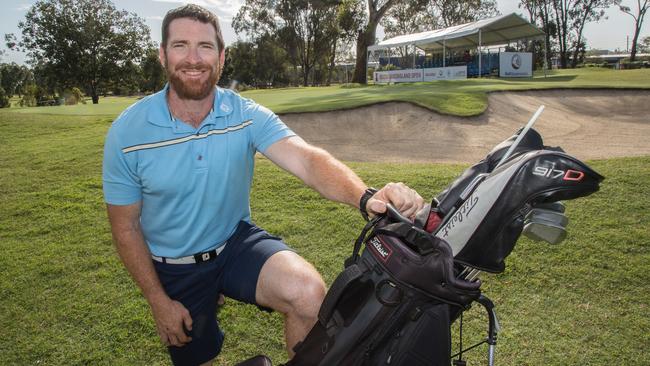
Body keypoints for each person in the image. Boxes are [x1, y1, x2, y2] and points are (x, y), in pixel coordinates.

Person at [102, 4, 424, 366]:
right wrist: (158, 302)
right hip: (174, 264)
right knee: (198, 355)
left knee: (307, 293)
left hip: (233, 242)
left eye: (205, 47)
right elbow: (125, 227)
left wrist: (365, 197)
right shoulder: (128, 134)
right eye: (180, 45)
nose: (193, 58)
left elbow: (305, 158)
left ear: (221, 57)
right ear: (163, 54)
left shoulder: (244, 114)